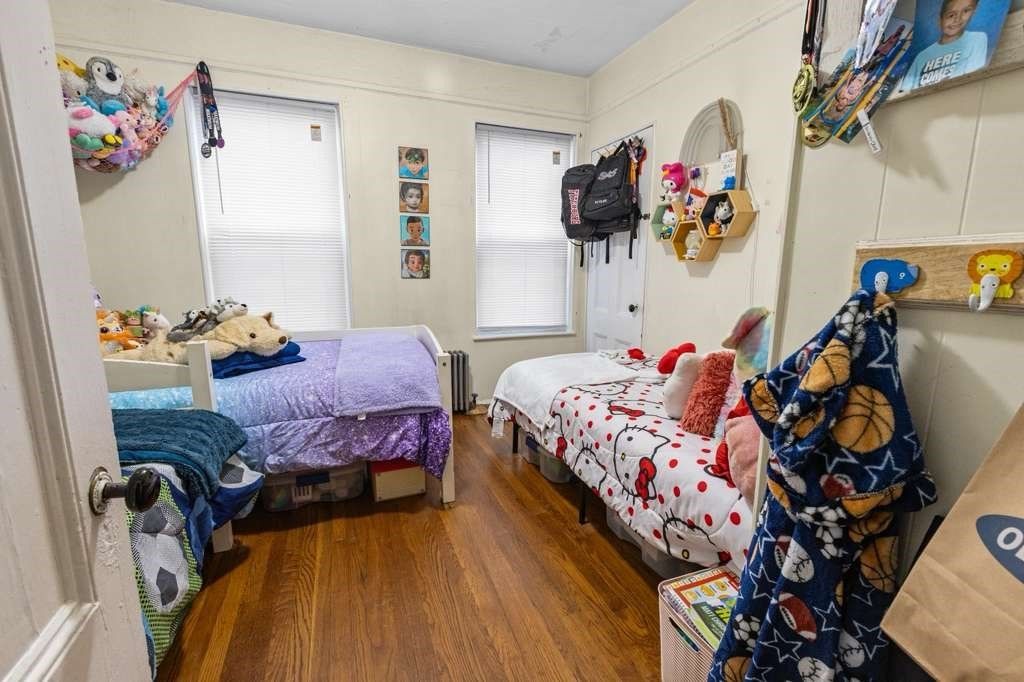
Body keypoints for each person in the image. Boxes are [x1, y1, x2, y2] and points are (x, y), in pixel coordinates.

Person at [901, 0, 987, 91]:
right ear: (940, 19)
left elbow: (972, 79)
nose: (958, 19)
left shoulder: (977, 39)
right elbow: (906, 91)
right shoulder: (921, 57)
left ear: (974, 11)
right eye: (951, 15)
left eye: (966, 11)